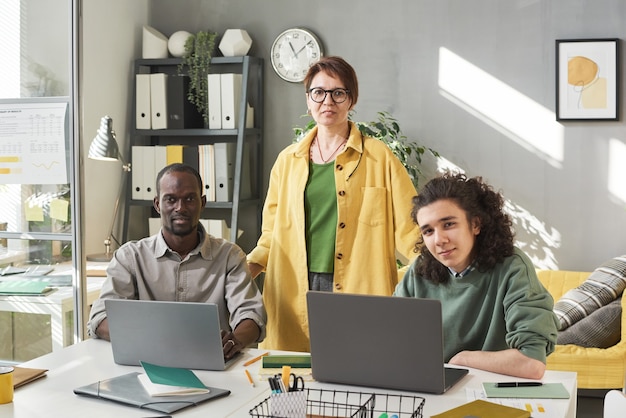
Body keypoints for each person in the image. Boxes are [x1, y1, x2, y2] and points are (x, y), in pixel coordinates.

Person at [247, 56, 419, 352]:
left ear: (351, 100)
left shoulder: (379, 157)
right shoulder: (287, 161)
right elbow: (272, 232)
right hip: (293, 285)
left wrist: (441, 270)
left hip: (359, 286)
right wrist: (248, 266)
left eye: (338, 93)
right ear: (308, 100)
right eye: (319, 92)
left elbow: (411, 226)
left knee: (360, 366)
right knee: (295, 375)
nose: (328, 101)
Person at [87, 163, 266, 360]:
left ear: (202, 203)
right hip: (146, 363)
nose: (180, 208)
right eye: (170, 199)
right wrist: (151, 340)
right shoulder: (130, 257)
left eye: (189, 199)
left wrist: (235, 341)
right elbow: (100, 317)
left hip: (214, 362)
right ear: (157, 204)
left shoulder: (229, 256)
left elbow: (251, 315)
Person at [393, 171, 558, 379]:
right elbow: (392, 343)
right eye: (428, 231)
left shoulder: (513, 267)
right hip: (431, 387)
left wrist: (463, 360)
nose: (439, 240)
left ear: (475, 224)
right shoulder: (419, 271)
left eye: (448, 224)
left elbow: (531, 363)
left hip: (491, 390)